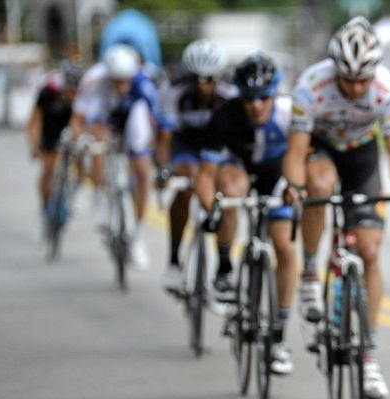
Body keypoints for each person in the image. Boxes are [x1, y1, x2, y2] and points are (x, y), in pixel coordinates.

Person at [282, 16, 390, 399]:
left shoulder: (387, 89)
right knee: (319, 186)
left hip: (361, 157)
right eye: (349, 79)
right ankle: (310, 272)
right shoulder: (311, 86)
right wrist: (294, 186)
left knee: (371, 251)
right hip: (320, 150)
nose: (357, 87)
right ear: (334, 68)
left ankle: (369, 354)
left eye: (363, 79)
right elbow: (295, 151)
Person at [194, 52, 297, 375]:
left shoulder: (289, 113)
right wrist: (212, 209)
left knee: (284, 247)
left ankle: (278, 336)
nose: (256, 106)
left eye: (264, 98)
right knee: (231, 192)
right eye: (249, 99)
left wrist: (296, 187)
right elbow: (206, 176)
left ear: (275, 94)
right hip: (237, 169)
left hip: (275, 173)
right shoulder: (224, 116)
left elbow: (303, 158)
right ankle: (224, 266)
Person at [155, 39, 235, 293]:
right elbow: (164, 139)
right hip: (185, 146)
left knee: (226, 191)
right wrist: (165, 168)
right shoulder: (172, 92)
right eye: (196, 79)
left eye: (209, 79)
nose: (203, 85)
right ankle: (174, 261)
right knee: (185, 186)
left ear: (219, 76)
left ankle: (224, 264)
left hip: (218, 147)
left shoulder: (231, 94)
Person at [75, 43, 159, 270]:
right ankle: (100, 193)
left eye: (126, 80)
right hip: (110, 120)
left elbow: (153, 123)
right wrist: (91, 140)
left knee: (142, 169)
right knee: (97, 145)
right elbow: (93, 120)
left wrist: (149, 155)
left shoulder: (143, 85)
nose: (121, 85)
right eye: (116, 80)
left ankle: (137, 236)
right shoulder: (98, 83)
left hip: (135, 118)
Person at [25, 61, 82, 237]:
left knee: (81, 160)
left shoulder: (83, 94)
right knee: (48, 170)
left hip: (69, 127)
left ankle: (74, 193)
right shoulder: (48, 91)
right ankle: (44, 212)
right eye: (70, 91)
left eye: (75, 91)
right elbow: (34, 121)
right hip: (49, 129)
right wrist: (34, 146)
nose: (72, 95)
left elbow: (80, 121)